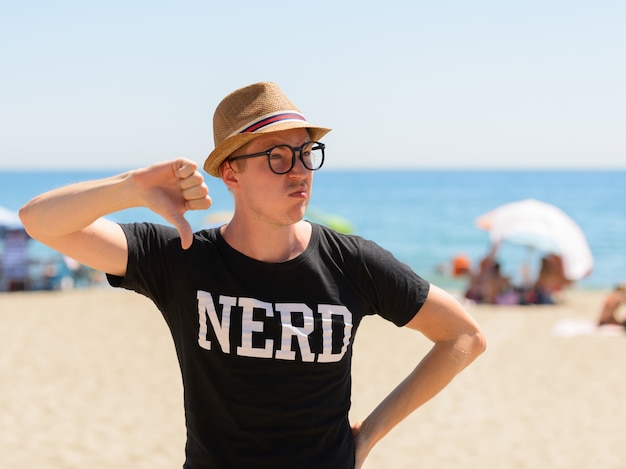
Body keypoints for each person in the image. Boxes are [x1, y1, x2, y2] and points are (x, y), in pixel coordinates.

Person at [19, 82, 486, 468]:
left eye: (307, 153)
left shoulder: (352, 262)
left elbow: (463, 336)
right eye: (278, 156)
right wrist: (133, 187)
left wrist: (368, 435)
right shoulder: (181, 257)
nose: (299, 171)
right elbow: (40, 220)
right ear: (231, 173)